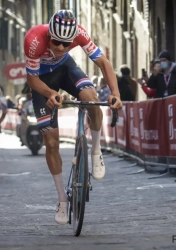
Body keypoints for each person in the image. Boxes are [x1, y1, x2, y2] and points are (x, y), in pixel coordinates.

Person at [24, 9, 122, 225]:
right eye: (56, 41)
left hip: (66, 69)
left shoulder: (80, 34)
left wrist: (115, 93)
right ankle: (62, 199)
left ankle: (96, 150)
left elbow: (104, 63)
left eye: (65, 44)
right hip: (41, 80)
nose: (60, 47)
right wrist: (50, 93)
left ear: (72, 40)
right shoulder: (33, 39)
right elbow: (31, 80)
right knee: (51, 142)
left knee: (92, 99)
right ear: (49, 34)